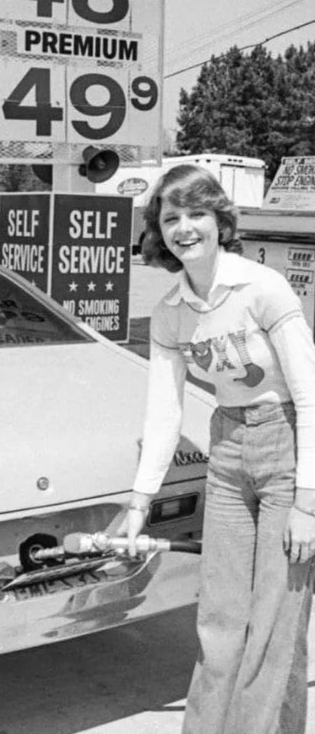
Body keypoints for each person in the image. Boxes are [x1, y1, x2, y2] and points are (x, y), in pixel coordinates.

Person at [117, 164, 315, 733]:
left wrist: (306, 503)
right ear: (158, 228)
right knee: (221, 624)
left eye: (196, 213)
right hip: (227, 454)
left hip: (289, 446)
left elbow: (309, 393)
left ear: (219, 220)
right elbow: (164, 409)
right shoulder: (171, 312)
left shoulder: (262, 288)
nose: (185, 228)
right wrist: (139, 504)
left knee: (275, 625)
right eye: (171, 216)